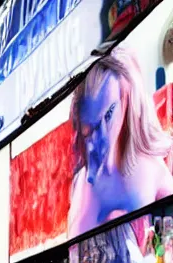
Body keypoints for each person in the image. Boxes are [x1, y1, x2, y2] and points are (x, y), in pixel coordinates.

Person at [68, 45, 173, 239]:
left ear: (126, 98)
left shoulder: (154, 164)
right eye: (90, 130)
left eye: (108, 115)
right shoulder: (83, 182)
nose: (101, 137)